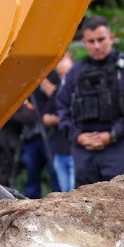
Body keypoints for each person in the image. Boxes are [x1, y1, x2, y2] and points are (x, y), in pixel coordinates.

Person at [57, 16, 124, 187]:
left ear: (111, 38)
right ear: (84, 42)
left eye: (101, 40)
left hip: (120, 147)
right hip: (85, 152)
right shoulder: (75, 72)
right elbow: (62, 107)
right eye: (91, 41)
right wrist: (77, 136)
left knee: (123, 198)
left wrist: (112, 135)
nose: (96, 46)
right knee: (84, 200)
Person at [0, 97, 37, 188]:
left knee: (0, 183)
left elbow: (31, 115)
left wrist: (7, 112)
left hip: (5, 151)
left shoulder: (15, 98)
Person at [40, 53, 76, 192]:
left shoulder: (79, 86)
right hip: (60, 150)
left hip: (75, 150)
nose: (59, 63)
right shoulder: (59, 88)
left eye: (63, 59)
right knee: (64, 194)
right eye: (59, 60)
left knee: (75, 193)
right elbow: (45, 117)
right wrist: (54, 119)